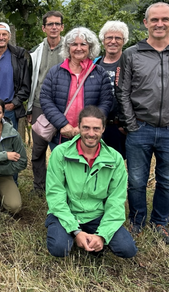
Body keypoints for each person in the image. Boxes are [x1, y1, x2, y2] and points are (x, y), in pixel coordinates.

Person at [116, 2, 169, 245]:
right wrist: (132, 125)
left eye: (164, 19)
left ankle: (160, 224)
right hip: (140, 128)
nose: (159, 24)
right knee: (136, 180)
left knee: (168, 179)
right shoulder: (132, 54)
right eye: (154, 20)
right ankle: (137, 221)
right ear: (146, 23)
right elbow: (123, 92)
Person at [45, 105, 137, 258]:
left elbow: (116, 201)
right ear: (79, 127)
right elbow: (56, 196)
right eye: (86, 128)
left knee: (128, 249)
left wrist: (102, 235)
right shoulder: (60, 153)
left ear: (103, 129)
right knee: (59, 248)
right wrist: (76, 231)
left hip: (97, 215)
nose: (91, 133)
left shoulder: (115, 159)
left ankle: (94, 238)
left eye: (96, 128)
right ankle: (73, 235)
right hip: (67, 213)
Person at [40, 27, 112, 147]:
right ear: (68, 48)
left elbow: (106, 102)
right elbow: (45, 99)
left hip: (90, 136)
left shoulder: (100, 73)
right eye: (74, 44)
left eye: (83, 44)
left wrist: (86, 127)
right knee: (61, 164)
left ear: (90, 47)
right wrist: (62, 124)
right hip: (61, 133)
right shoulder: (56, 72)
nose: (79, 48)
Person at [26, 11, 65, 194]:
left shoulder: (70, 49)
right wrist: (30, 108)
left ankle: (61, 188)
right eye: (50, 24)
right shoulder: (36, 52)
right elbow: (34, 80)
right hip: (40, 106)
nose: (54, 27)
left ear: (62, 27)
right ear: (44, 28)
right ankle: (39, 187)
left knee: (63, 150)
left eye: (57, 24)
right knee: (38, 151)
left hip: (64, 107)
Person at [95, 21, 128, 158]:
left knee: (118, 166)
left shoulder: (129, 64)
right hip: (97, 126)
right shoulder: (94, 63)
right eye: (109, 38)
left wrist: (126, 123)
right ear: (103, 40)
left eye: (117, 38)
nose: (113, 41)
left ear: (124, 41)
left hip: (120, 126)